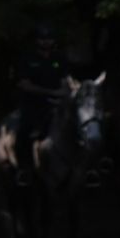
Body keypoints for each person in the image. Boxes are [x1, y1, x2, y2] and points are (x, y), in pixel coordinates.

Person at [14, 24, 69, 185]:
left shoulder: (59, 58)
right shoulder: (27, 58)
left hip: (57, 103)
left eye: (49, 39)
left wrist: (64, 91)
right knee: (24, 132)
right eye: (42, 39)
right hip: (33, 104)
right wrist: (50, 92)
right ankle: (23, 169)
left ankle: (89, 169)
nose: (46, 42)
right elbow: (24, 84)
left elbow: (65, 81)